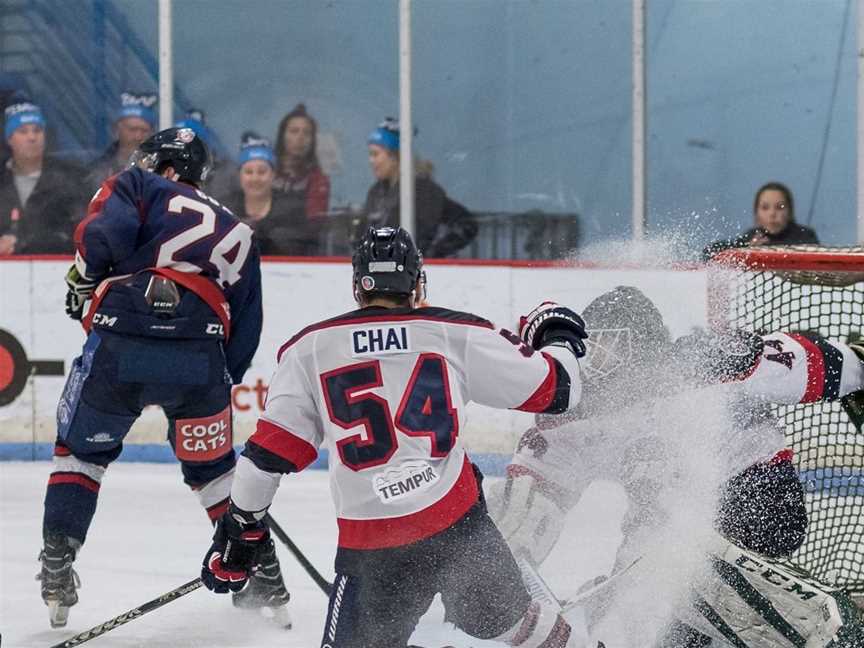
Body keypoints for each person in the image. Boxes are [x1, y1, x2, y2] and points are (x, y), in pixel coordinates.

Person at [200, 225, 591, 648]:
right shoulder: (453, 332)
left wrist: (242, 533)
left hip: (374, 547)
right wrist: (556, 336)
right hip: (458, 525)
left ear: (357, 288)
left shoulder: (309, 349)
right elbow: (561, 391)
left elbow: (264, 461)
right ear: (417, 284)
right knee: (516, 625)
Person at [487, 286, 864, 647]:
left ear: (641, 344)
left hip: (761, 498)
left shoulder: (704, 363)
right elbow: (543, 477)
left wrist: (854, 365)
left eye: (607, 342)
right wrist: (511, 532)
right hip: (673, 526)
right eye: (593, 344)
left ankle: (825, 629)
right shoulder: (598, 405)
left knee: (675, 561)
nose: (595, 357)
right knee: (643, 593)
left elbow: (801, 363)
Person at [37, 126, 291, 629]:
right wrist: (220, 380)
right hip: (200, 358)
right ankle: (261, 574)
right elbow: (247, 323)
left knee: (80, 454)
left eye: (151, 159)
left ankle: (57, 566)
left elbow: (103, 234)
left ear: (171, 169)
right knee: (216, 471)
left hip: (122, 339)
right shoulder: (240, 232)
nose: (143, 164)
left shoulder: (139, 185)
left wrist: (83, 279)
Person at [362, 118, 478, 258]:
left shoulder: (422, 190)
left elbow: (467, 224)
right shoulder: (376, 192)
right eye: (370, 155)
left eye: (376, 154)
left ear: (394, 157)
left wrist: (432, 254)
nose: (371, 161)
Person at [0, 100, 87, 255]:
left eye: (37, 130)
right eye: (23, 131)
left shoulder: (69, 180)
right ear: (9, 139)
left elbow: (78, 234)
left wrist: (22, 243)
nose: (32, 137)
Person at [223, 132, 317, 255]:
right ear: (239, 175)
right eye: (248, 172)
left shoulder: (292, 209)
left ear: (273, 175)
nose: (255, 178)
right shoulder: (224, 209)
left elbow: (300, 250)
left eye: (262, 172)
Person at [702, 182, 819, 260]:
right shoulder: (751, 238)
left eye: (780, 207)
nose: (772, 214)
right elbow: (709, 252)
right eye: (765, 207)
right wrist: (746, 249)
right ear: (756, 213)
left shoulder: (805, 236)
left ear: (790, 212)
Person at [85, 92, 156, 192]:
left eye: (144, 131)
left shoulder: (160, 171)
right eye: (132, 129)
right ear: (117, 130)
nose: (138, 136)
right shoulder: (97, 171)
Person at [272, 103, 330, 219]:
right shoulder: (264, 173)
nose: (300, 138)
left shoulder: (318, 180)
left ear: (312, 141)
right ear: (282, 136)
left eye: (307, 133)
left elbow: (314, 224)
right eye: (294, 131)